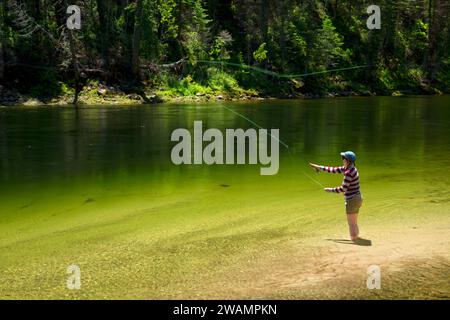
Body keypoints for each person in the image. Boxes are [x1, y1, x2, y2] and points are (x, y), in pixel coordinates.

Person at [309, 151, 363, 241]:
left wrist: (330, 190)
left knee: (351, 224)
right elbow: (333, 170)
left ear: (348, 160)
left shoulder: (348, 172)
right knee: (354, 222)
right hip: (358, 198)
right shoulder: (352, 168)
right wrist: (318, 167)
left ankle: (355, 242)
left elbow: (343, 189)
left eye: (343, 158)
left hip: (352, 200)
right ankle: (357, 239)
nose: (342, 160)